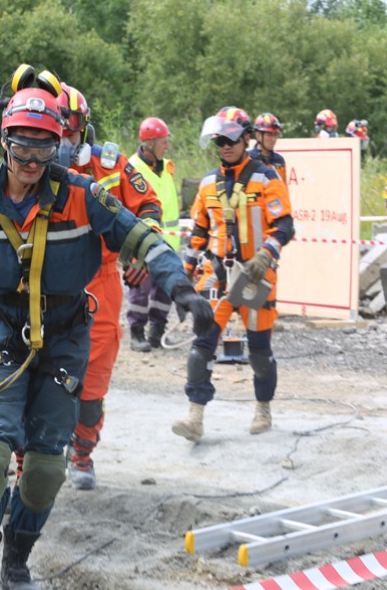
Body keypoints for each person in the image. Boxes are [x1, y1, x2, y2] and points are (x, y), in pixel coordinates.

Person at [0, 75, 214, 590]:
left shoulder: (83, 195)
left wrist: (180, 286)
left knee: (47, 466)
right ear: (4, 141)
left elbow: (142, 237)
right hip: (0, 331)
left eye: (44, 145)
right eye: (22, 144)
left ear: (58, 144)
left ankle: (18, 557)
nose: (31, 158)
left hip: (66, 334)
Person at [57, 84, 163, 491]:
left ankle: (82, 452)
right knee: (35, 374)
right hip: (43, 282)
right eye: (58, 127)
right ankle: (31, 455)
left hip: (99, 281)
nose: (66, 137)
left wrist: (140, 253)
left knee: (93, 381)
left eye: (73, 127)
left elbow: (148, 206)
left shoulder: (111, 165)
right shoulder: (27, 163)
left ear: (85, 127)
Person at [174, 106, 294, 444]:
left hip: (256, 277)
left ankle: (263, 407)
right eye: (219, 141)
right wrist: (183, 278)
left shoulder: (267, 177)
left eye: (230, 139)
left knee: (258, 350)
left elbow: (285, 224)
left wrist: (265, 254)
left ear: (245, 138)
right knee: (202, 345)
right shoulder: (209, 184)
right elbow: (197, 232)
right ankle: (194, 418)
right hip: (216, 276)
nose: (225, 146)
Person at [127, 117, 181, 352]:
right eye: (163, 142)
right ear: (149, 144)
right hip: (141, 242)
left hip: (168, 241)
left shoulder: (167, 167)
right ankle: (136, 333)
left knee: (164, 291)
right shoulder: (130, 168)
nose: (166, 146)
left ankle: (156, 332)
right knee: (139, 288)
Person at [249, 112, 286, 183]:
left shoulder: (279, 160)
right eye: (269, 135)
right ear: (258, 135)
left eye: (275, 135)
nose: (273, 139)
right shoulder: (247, 158)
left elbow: (283, 188)